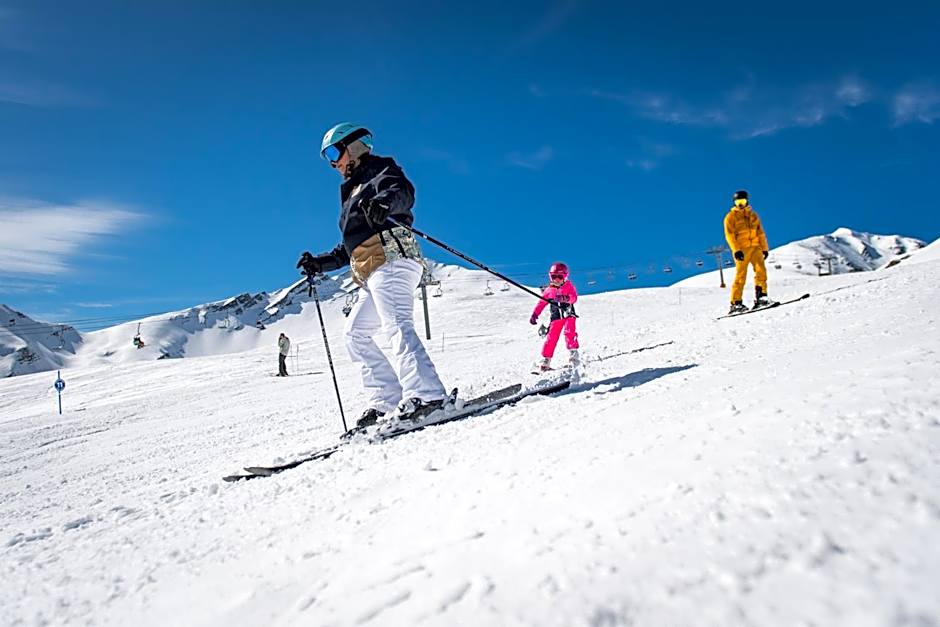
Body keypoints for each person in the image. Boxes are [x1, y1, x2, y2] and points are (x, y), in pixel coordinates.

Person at [297, 123, 447, 428]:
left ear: (352, 147)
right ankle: (385, 401)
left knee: (396, 325)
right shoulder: (351, 192)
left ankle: (428, 395)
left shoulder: (380, 169)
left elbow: (402, 192)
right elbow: (348, 246)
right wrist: (320, 263)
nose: (333, 163)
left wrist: (384, 203)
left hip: (392, 258)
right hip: (371, 268)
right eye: (327, 156)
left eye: (333, 152)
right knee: (354, 334)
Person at [724, 189, 774, 314]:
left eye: (743, 201)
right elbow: (729, 235)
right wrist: (736, 250)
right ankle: (736, 303)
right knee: (741, 275)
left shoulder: (753, 215)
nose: (741, 204)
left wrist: (764, 249)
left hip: (756, 248)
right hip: (742, 250)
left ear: (747, 201)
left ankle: (761, 297)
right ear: (734, 203)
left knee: (761, 272)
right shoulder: (730, 217)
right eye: (738, 202)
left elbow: (760, 233)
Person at [529, 262, 579, 372]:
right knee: (551, 337)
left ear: (565, 276)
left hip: (568, 314)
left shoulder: (569, 286)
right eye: (554, 276)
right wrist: (535, 314)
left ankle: (573, 353)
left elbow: (574, 298)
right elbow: (541, 303)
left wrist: (564, 299)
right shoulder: (549, 290)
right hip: (556, 317)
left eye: (560, 277)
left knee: (569, 332)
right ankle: (546, 360)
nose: (557, 279)